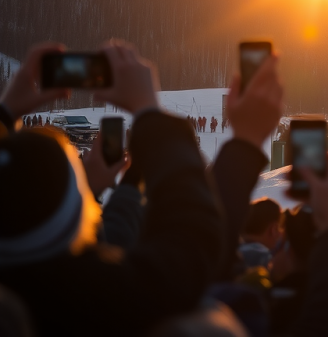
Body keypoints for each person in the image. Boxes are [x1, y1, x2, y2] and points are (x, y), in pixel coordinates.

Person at [0, 41, 226, 337]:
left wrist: (6, 111)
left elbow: (188, 237)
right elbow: (191, 236)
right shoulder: (103, 297)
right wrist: (148, 109)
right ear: (76, 215)